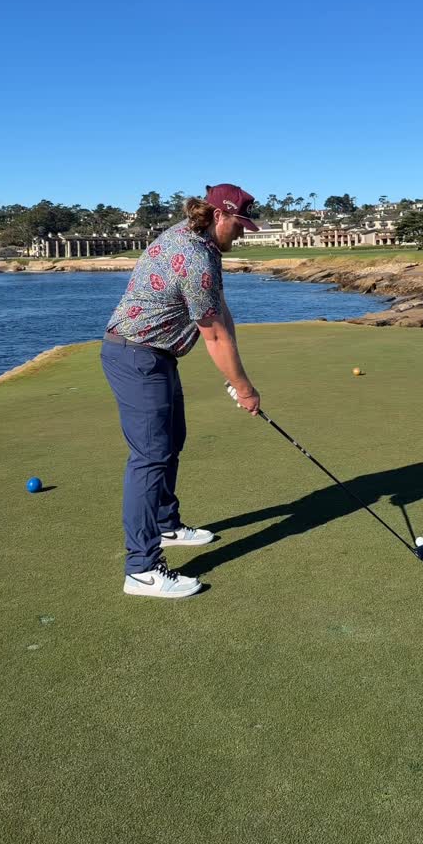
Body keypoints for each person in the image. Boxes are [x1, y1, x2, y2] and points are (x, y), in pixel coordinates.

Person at [101, 183, 261, 599]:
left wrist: (235, 370)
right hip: (136, 356)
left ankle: (166, 525)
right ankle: (141, 570)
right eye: (239, 225)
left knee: (172, 441)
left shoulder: (200, 241)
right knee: (150, 457)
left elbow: (219, 310)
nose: (242, 233)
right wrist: (244, 388)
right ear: (219, 216)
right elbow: (213, 336)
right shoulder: (195, 257)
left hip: (155, 356)